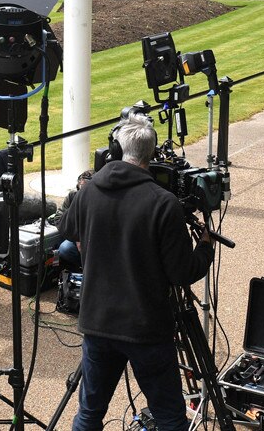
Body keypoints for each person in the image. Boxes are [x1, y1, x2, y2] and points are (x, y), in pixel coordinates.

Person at [61, 112, 214, 431]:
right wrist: (205, 248)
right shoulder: (164, 202)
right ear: (151, 154)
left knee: (89, 414)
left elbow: (67, 230)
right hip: (146, 328)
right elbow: (182, 272)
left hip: (98, 322)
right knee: (170, 417)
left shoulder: (90, 190)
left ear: (116, 150)